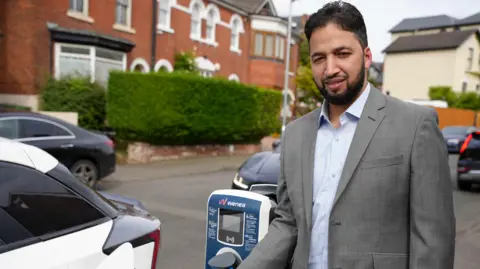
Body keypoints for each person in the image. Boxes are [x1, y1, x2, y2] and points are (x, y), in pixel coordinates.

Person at [238, 1, 456, 269]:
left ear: (366, 57)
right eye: (319, 58)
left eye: (342, 53)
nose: (330, 69)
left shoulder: (416, 125)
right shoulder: (295, 134)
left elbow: (433, 240)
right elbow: (289, 222)